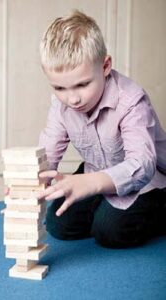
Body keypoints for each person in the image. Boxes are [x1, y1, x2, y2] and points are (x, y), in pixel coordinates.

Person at [36, 10, 166, 248]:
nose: (72, 99)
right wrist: (29, 180)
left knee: (109, 231)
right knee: (57, 225)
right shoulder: (61, 104)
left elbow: (142, 165)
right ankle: (102, 203)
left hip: (149, 179)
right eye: (60, 88)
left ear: (105, 66)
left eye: (82, 84)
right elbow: (49, 151)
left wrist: (92, 184)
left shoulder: (131, 100)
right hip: (98, 170)